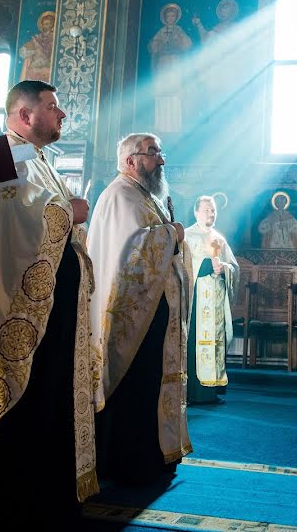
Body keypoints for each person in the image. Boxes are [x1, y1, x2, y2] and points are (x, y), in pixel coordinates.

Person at [0, 80, 97, 530]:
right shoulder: (3, 156)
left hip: (47, 316)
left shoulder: (40, 160)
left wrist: (65, 208)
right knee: (18, 414)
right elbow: (11, 220)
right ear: (25, 116)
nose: (62, 115)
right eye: (53, 107)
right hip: (7, 313)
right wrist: (68, 211)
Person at [88, 133, 192, 486]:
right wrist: (172, 234)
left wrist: (169, 233)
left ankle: (154, 454)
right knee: (136, 385)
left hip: (152, 310)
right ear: (131, 160)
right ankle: (130, 462)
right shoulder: (119, 196)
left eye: (160, 152)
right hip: (133, 314)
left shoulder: (144, 196)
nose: (160, 160)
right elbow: (131, 251)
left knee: (151, 383)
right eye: (152, 153)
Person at [184, 195, 238, 405]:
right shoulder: (187, 236)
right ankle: (192, 392)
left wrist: (224, 268)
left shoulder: (218, 238)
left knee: (216, 342)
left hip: (215, 303)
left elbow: (234, 267)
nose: (210, 214)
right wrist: (205, 267)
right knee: (193, 341)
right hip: (195, 302)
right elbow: (180, 267)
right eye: (206, 210)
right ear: (196, 212)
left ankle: (211, 391)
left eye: (213, 210)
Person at [149, 4, 193, 134]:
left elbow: (187, 45)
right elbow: (153, 48)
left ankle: (175, 126)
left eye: (173, 15)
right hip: (163, 63)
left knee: (175, 93)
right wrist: (160, 43)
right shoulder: (161, 32)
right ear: (165, 17)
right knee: (163, 93)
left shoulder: (179, 30)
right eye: (168, 16)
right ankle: (161, 125)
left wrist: (177, 38)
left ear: (176, 18)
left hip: (175, 62)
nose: (170, 18)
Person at [19, 11, 55, 82]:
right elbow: (23, 52)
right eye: (44, 24)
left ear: (52, 25)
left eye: (47, 24)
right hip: (35, 67)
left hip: (48, 67)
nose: (45, 26)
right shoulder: (36, 38)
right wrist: (28, 49)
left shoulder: (55, 38)